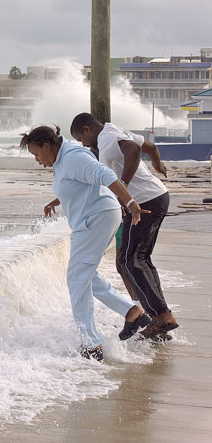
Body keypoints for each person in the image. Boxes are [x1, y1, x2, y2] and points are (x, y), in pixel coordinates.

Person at [20, 125, 147, 361]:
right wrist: (57, 201)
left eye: (37, 154)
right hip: (96, 217)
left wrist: (131, 204)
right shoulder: (64, 158)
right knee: (85, 274)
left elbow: (106, 176)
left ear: (47, 145)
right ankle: (132, 312)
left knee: (77, 278)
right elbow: (79, 183)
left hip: (95, 218)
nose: (37, 160)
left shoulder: (74, 157)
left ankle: (92, 344)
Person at [70, 113, 178, 341]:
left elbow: (133, 150)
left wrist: (125, 185)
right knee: (134, 260)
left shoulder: (107, 139)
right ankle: (157, 317)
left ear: (87, 129)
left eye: (80, 138)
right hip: (150, 198)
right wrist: (157, 164)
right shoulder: (115, 131)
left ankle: (161, 316)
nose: (81, 143)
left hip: (145, 201)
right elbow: (150, 148)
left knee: (132, 261)